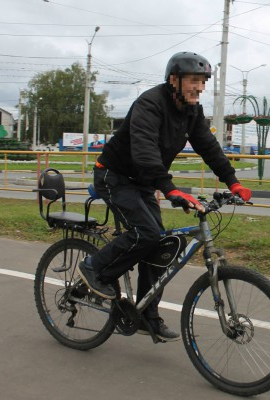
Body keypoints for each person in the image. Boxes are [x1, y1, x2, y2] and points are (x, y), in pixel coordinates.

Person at [76, 51, 252, 342]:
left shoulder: (192, 112)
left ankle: (147, 315)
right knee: (145, 233)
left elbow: (208, 147)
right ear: (174, 80)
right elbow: (144, 151)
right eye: (193, 81)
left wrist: (233, 181)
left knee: (159, 245)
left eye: (203, 82)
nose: (199, 87)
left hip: (143, 182)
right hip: (114, 175)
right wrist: (170, 189)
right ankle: (92, 268)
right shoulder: (150, 103)